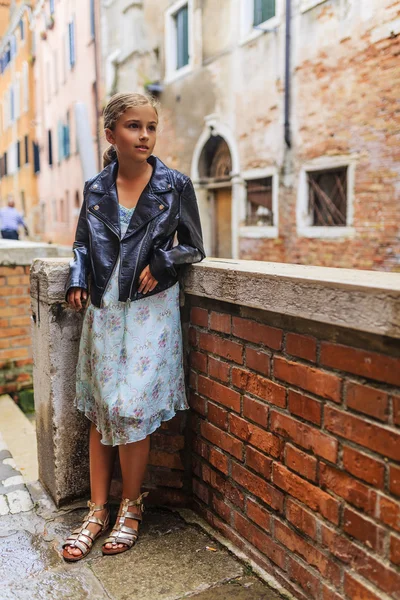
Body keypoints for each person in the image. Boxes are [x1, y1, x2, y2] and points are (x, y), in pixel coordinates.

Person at [62, 92, 205, 562]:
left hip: (150, 312)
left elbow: (194, 246)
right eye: (133, 126)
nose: (144, 135)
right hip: (105, 309)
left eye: (150, 127)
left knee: (132, 409)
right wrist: (79, 278)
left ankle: (130, 507)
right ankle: (96, 511)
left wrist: (165, 261)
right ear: (111, 134)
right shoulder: (96, 188)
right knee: (104, 409)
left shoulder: (175, 185)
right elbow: (83, 243)